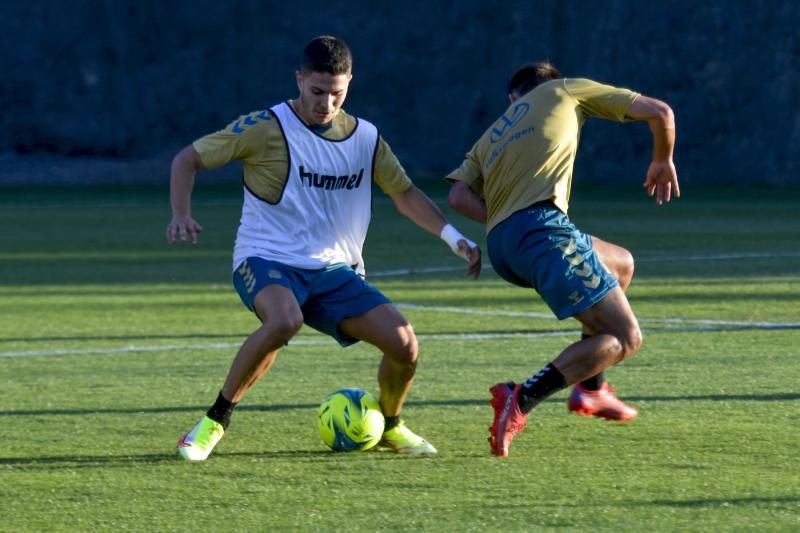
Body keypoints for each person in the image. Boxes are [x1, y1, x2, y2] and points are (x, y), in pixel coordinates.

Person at [167, 35, 481, 461]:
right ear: (299, 80)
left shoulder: (366, 138)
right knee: (284, 321)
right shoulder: (266, 127)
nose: (326, 103)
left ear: (350, 83)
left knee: (405, 344)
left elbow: (404, 193)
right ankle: (214, 422)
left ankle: (389, 425)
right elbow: (187, 159)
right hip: (266, 259)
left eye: (337, 93)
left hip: (333, 272)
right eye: (317, 91)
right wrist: (181, 213)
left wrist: (453, 238)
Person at [445, 61, 678, 456]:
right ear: (550, 85)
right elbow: (661, 112)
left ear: (513, 97)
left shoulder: (492, 134)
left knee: (620, 263)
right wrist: (661, 160)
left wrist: (506, 216)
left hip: (505, 243)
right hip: (541, 229)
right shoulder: (567, 89)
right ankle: (521, 397)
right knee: (625, 337)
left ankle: (591, 389)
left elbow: (457, 196)